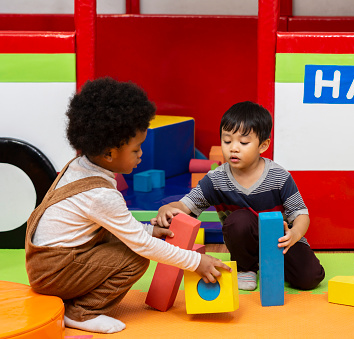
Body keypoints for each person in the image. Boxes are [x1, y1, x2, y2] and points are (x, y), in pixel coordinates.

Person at [25, 77, 230, 334]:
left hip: (48, 263)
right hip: (55, 271)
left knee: (126, 241)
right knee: (135, 257)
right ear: (109, 153)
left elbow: (119, 226)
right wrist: (195, 261)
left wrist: (148, 229)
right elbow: (141, 245)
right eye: (136, 149)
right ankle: (82, 312)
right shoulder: (101, 195)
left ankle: (74, 297)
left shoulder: (79, 166)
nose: (141, 154)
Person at [151, 101, 325, 291]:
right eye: (227, 141)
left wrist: (295, 234)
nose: (234, 148)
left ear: (263, 145)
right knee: (239, 220)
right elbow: (185, 206)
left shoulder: (279, 176)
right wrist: (166, 208)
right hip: (244, 241)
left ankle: (268, 265)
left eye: (243, 142)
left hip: (280, 241)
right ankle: (245, 267)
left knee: (310, 278)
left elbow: (301, 214)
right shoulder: (215, 179)